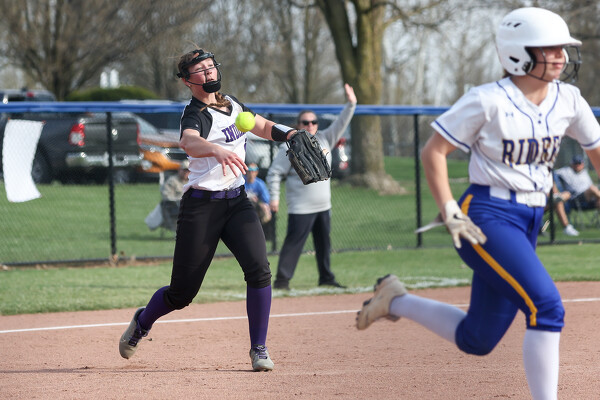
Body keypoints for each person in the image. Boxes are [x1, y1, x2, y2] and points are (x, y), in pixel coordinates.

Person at [356, 7, 600, 400]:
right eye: (551, 48)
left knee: (478, 338)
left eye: (562, 48)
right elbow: (434, 152)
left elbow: (596, 151)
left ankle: (394, 300)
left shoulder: (568, 99)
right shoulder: (488, 100)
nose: (561, 56)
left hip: (529, 218)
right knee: (547, 308)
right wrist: (449, 208)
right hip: (486, 216)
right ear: (518, 54)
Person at [119, 48, 300, 371]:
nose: (208, 72)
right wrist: (215, 150)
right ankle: (142, 322)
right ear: (187, 81)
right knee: (181, 294)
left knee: (259, 270)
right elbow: (188, 141)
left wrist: (290, 133)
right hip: (201, 207)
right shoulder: (195, 114)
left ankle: (258, 348)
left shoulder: (232, 104)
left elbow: (259, 125)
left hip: (238, 202)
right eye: (200, 70)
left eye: (210, 66)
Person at [266, 83, 357, 291]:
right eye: (305, 122)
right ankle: (282, 280)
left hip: (323, 205)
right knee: (294, 243)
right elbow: (274, 173)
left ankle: (326, 277)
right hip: (301, 207)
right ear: (298, 124)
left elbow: (342, 122)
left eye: (313, 121)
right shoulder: (290, 146)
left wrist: (351, 103)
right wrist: (274, 197)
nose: (310, 125)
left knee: (324, 244)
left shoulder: (324, 138)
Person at [551, 154, 600, 236]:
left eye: (579, 163)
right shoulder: (566, 171)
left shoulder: (584, 173)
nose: (577, 165)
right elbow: (552, 172)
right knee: (592, 188)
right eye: (575, 163)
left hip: (589, 198)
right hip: (576, 198)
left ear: (582, 164)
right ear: (572, 164)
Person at [159, 160, 191, 231]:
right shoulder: (172, 181)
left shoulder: (192, 182)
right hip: (175, 208)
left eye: (188, 171)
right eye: (184, 170)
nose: (186, 172)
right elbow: (166, 196)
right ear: (179, 170)